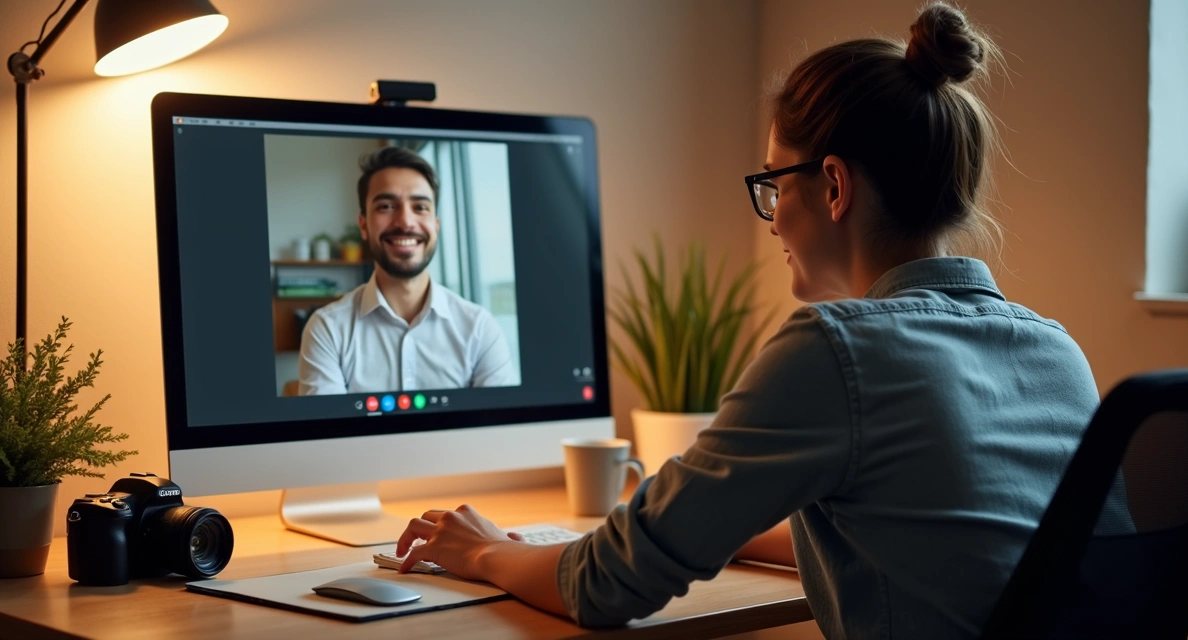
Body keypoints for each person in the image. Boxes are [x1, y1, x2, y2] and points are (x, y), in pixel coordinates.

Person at [388, 4, 1120, 638]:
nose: (771, 221)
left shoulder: (838, 351)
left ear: (832, 185)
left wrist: (481, 549)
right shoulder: (1057, 352)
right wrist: (712, 523)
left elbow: (604, 585)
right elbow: (933, 542)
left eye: (772, 183)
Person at [298, 146, 517, 395]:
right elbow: (332, 433)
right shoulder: (327, 330)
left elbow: (496, 431)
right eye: (386, 207)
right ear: (363, 225)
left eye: (420, 207)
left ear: (436, 225)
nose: (405, 222)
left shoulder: (480, 329)